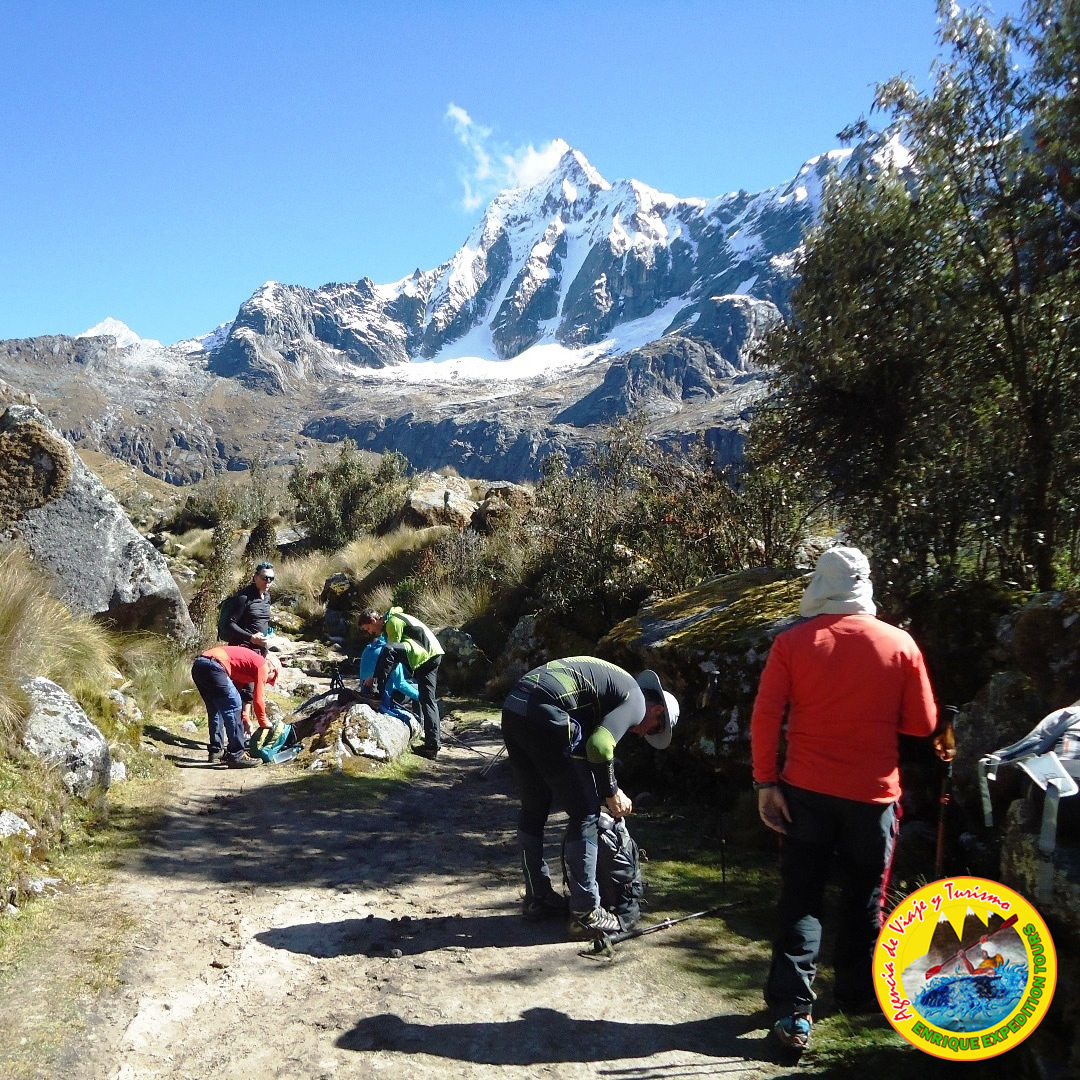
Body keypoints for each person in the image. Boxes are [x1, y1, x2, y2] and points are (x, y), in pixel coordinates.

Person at [751, 546, 937, 1052]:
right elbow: (922, 724)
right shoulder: (900, 644)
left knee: (802, 896)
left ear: (820, 584)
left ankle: (793, 1011)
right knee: (865, 896)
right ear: (866, 585)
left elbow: (766, 716)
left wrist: (766, 782)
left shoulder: (792, 642)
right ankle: (857, 993)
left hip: (805, 792)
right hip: (873, 797)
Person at [500, 656, 679, 938]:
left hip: (514, 706)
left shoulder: (612, 691)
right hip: (544, 710)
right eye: (655, 728)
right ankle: (586, 913)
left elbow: (586, 751)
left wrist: (603, 783)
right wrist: (612, 792)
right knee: (586, 814)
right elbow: (599, 746)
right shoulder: (635, 701)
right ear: (657, 710)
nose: (643, 734)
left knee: (535, 806)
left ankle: (537, 897)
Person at [359, 607, 444, 759]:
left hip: (424, 653)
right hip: (433, 655)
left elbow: (391, 654)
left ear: (373, 620)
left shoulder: (392, 622)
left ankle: (376, 693)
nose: (370, 633)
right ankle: (432, 746)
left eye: (368, 629)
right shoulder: (394, 621)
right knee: (427, 699)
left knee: (388, 649)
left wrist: (374, 679)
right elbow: (392, 660)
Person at [191, 644, 281, 768]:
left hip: (199, 665)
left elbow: (234, 693)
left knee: (216, 709)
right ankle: (237, 755)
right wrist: (264, 722)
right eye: (270, 679)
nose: (267, 681)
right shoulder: (262, 665)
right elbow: (258, 698)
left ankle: (216, 751)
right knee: (234, 706)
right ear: (273, 670)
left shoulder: (246, 667)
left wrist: (245, 719)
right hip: (215, 665)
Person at [221, 562, 275, 729]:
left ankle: (245, 725)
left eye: (271, 579)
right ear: (255, 577)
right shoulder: (243, 598)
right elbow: (230, 624)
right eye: (264, 578)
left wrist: (266, 642)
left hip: (259, 650)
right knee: (238, 688)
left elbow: (263, 623)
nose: (268, 582)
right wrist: (251, 638)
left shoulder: (267, 597)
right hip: (241, 648)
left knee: (251, 689)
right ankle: (236, 725)